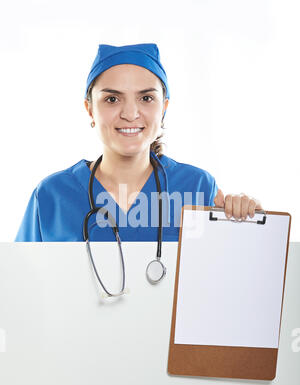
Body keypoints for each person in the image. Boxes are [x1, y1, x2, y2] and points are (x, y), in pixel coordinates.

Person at [15, 43, 262, 243]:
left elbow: (227, 279)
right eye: (112, 99)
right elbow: (21, 288)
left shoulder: (197, 187)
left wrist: (247, 222)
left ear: (163, 108)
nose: (130, 113)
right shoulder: (52, 195)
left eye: (146, 98)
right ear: (90, 109)